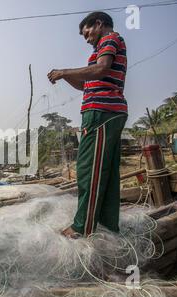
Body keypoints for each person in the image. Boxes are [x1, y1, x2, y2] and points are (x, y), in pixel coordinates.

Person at [47, 12, 128, 238]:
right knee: (107, 173)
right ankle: (107, 224)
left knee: (88, 170)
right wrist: (65, 77)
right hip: (108, 113)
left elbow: (101, 69)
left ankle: (82, 227)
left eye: (87, 33)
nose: (87, 39)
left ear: (99, 24)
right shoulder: (102, 48)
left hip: (102, 113)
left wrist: (64, 71)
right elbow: (87, 85)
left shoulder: (109, 40)